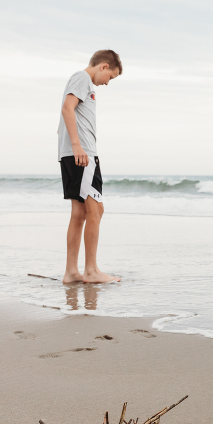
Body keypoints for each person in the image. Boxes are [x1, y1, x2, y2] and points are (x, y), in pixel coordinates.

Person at [57, 50, 123, 284]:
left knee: (80, 212)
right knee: (96, 210)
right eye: (111, 78)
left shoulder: (80, 81)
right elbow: (67, 107)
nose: (108, 83)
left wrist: (69, 146)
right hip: (82, 155)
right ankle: (91, 271)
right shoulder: (83, 78)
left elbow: (68, 113)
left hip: (74, 154)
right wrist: (77, 145)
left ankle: (71, 271)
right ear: (104, 66)